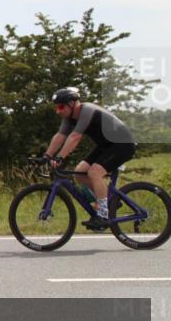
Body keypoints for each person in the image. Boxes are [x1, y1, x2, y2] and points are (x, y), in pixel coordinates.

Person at [44, 87, 136, 230]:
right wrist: (47, 156)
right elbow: (60, 136)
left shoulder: (87, 110)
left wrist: (60, 157)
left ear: (71, 104)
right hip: (106, 145)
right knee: (79, 173)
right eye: (56, 107)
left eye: (60, 107)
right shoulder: (69, 118)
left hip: (123, 144)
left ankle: (103, 214)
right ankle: (109, 200)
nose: (58, 111)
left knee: (94, 172)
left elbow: (75, 137)